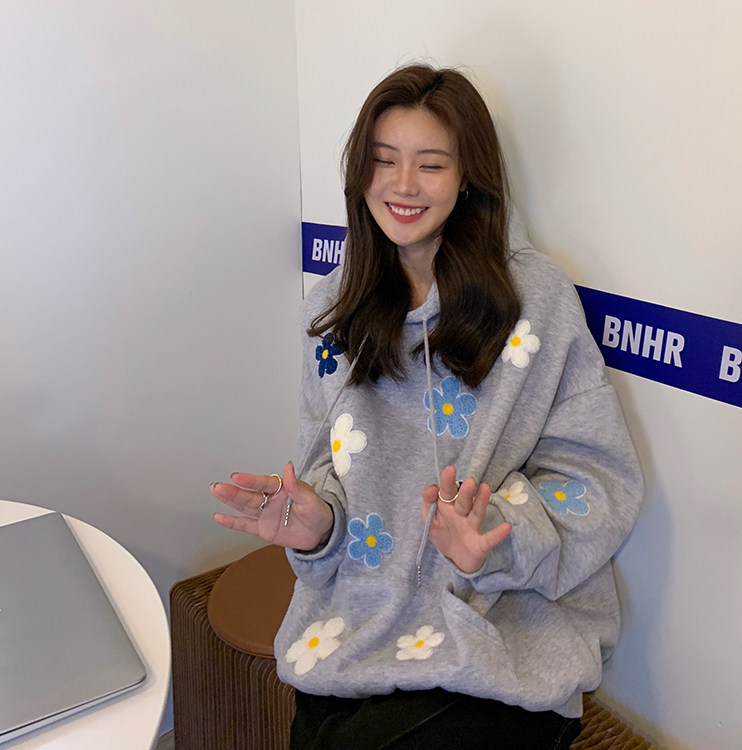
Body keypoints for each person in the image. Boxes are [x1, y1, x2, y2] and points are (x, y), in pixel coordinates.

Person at [210, 64, 643, 750]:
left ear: (467, 176)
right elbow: (328, 470)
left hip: (502, 627)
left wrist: (494, 534)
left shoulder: (536, 301)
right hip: (359, 620)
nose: (403, 185)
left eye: (431, 164)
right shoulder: (333, 309)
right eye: (384, 161)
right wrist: (320, 525)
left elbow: (598, 481)